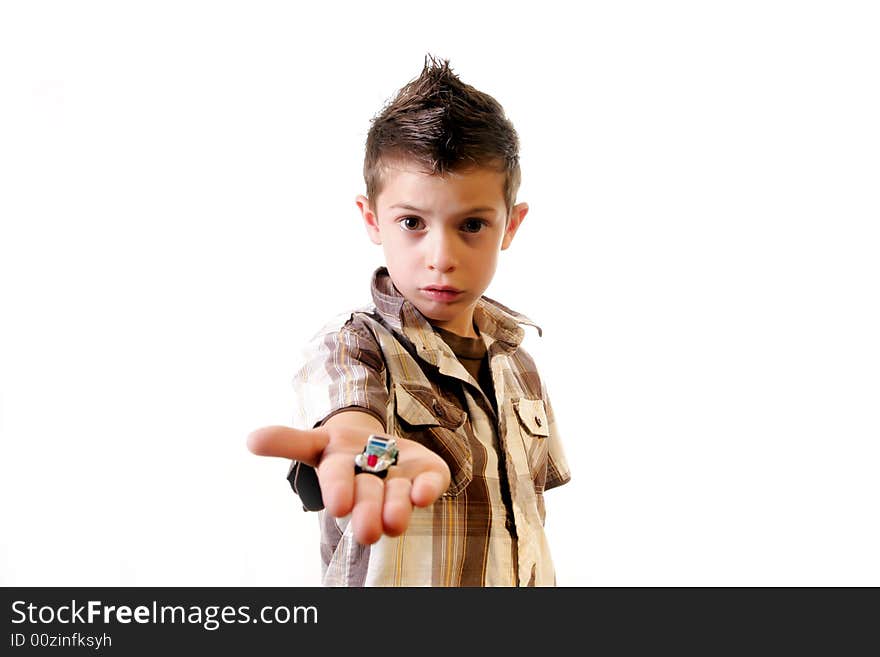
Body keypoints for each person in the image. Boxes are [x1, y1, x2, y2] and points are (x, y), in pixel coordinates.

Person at [247, 54, 570, 586]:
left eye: (471, 224)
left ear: (510, 225)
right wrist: (355, 441)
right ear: (373, 219)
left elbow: (530, 525)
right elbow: (349, 414)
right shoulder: (354, 346)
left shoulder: (519, 362)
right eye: (412, 222)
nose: (440, 255)